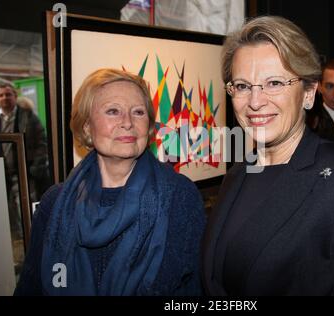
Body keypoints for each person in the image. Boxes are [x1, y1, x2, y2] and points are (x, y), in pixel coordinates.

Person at [202, 16, 334, 296]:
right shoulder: (238, 174)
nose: (255, 102)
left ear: (308, 93)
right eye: (243, 86)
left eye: (274, 83)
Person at [14, 68, 205, 296]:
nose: (127, 123)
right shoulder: (55, 203)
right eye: (113, 111)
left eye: (138, 112)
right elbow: (30, 287)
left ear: (149, 126)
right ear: (87, 126)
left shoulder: (179, 197)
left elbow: (196, 288)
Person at [0, 83, 49, 241]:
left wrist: (36, 167)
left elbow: (42, 143)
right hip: (1, 174)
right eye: (1, 95)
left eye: (8, 94)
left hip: (24, 173)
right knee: (8, 212)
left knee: (28, 210)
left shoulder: (28, 117)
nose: (5, 98)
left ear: (15, 96)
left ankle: (35, 241)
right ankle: (20, 241)